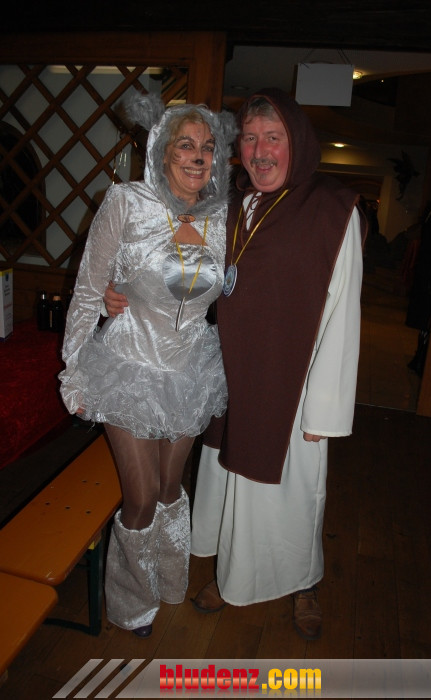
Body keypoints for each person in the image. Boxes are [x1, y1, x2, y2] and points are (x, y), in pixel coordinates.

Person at [104, 87, 367, 641]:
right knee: (231, 489)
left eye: (274, 138)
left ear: (297, 142)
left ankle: (303, 582)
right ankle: (233, 576)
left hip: (293, 388)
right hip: (232, 376)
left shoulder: (332, 209)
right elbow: (176, 266)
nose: (260, 151)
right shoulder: (231, 204)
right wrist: (116, 291)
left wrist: (323, 408)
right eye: (249, 138)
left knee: (292, 495)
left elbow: (344, 315)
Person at [59, 91, 237, 638]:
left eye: (207, 146)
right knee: (138, 499)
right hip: (129, 364)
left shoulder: (223, 216)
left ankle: (168, 578)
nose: (198, 156)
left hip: (190, 370)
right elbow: (88, 289)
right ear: (161, 151)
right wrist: (73, 368)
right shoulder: (127, 201)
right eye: (185, 144)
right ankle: (131, 602)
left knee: (168, 488)